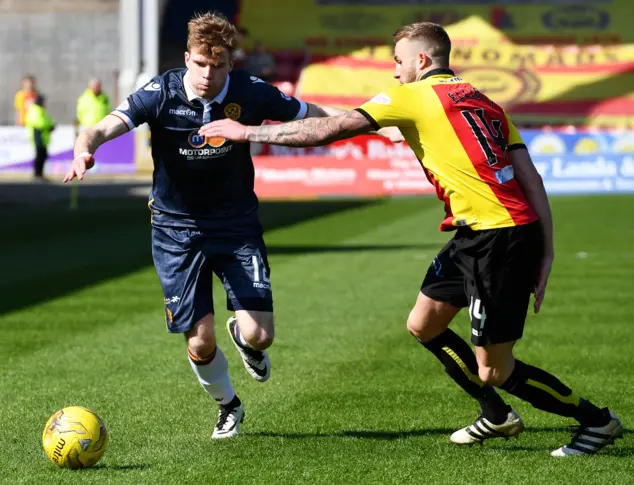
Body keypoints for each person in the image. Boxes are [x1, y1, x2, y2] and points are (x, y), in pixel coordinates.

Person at [199, 22, 623, 456]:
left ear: (421, 60)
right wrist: (547, 248)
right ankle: (495, 415)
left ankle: (597, 421)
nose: (395, 72)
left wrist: (246, 132)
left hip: (501, 237)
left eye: (399, 62)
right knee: (424, 324)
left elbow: (328, 129)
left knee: (495, 369)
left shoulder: (413, 94)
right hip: (477, 232)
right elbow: (530, 179)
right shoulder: (485, 100)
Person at [62, 11, 399, 439]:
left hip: (236, 223)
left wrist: (373, 124)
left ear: (230, 64)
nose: (208, 74)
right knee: (199, 343)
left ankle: (242, 336)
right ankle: (229, 407)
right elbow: (104, 126)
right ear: (187, 57)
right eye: (201, 63)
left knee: (261, 336)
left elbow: (313, 114)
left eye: (218, 65)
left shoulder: (249, 92)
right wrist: (83, 149)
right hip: (175, 230)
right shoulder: (159, 93)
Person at [25, 94, 55, 180]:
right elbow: (39, 123)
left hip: (43, 135)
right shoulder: (35, 110)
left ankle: (40, 173)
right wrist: (49, 126)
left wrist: (50, 125)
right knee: (40, 155)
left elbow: (46, 120)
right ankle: (37, 174)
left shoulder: (40, 110)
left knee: (43, 155)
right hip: (38, 135)